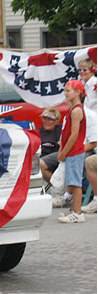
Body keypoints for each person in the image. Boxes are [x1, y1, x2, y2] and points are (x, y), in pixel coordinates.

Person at [57, 79, 87, 223]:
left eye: (68, 90)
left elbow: (74, 135)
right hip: (73, 151)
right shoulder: (73, 109)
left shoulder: (76, 111)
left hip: (75, 151)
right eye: (65, 90)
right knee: (72, 181)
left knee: (75, 183)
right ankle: (74, 210)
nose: (66, 93)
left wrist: (64, 152)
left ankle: (78, 212)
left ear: (77, 92)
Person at [38, 107, 63, 184]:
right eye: (45, 119)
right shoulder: (38, 132)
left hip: (56, 159)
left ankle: (56, 187)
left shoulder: (60, 131)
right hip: (41, 156)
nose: (47, 122)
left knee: (40, 165)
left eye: (50, 119)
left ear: (56, 121)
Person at [78, 58, 97, 155]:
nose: (81, 72)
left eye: (84, 69)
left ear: (92, 70)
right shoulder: (82, 85)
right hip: (86, 124)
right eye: (80, 69)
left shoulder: (95, 84)